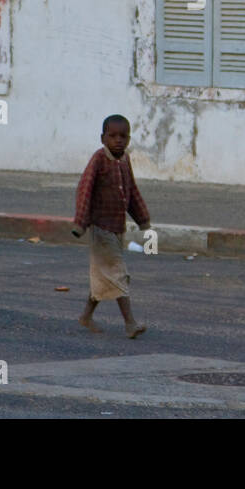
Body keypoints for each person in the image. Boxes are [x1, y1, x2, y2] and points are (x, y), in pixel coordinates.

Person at [71, 114, 151, 338]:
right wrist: (80, 223)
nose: (118, 140)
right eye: (113, 136)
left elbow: (132, 192)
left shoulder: (124, 160)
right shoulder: (98, 160)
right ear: (102, 137)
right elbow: (85, 190)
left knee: (104, 275)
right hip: (100, 228)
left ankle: (86, 316)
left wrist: (143, 218)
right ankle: (130, 323)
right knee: (118, 273)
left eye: (123, 136)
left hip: (117, 228)